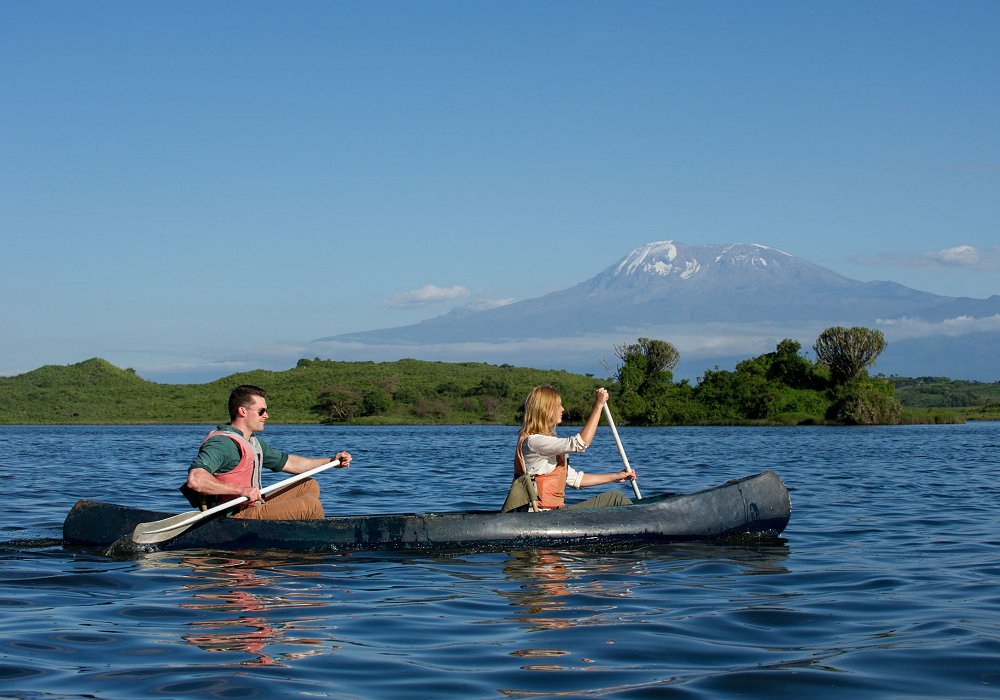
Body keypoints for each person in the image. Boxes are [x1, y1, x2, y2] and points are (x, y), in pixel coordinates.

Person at [185, 384, 352, 520]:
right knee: (310, 506)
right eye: (261, 411)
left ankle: (293, 529)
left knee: (308, 485)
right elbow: (196, 479)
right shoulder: (223, 444)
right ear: (242, 411)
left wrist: (331, 461)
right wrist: (240, 490)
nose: (266, 416)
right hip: (234, 516)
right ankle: (317, 539)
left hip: (253, 506)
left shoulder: (252, 443)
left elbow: (292, 463)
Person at [501, 386, 635, 512]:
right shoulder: (534, 442)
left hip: (555, 513)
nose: (563, 409)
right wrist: (599, 405)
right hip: (541, 516)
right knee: (617, 499)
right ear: (546, 410)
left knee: (615, 498)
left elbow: (576, 479)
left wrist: (616, 476)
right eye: (558, 405)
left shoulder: (545, 445)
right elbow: (581, 443)